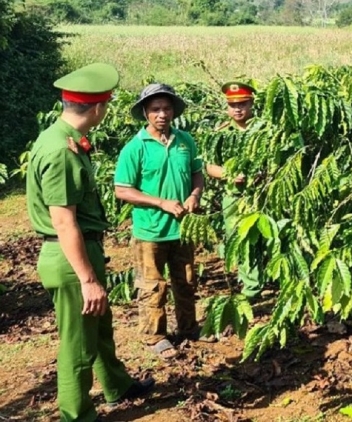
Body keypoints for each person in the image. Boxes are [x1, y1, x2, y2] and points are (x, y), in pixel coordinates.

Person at [26, 63, 154, 422]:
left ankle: (117, 385)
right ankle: (77, 415)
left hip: (80, 251)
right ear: (97, 109)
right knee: (78, 346)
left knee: (99, 329)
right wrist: (87, 279)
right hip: (70, 257)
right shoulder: (61, 152)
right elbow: (64, 222)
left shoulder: (61, 137)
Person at [114, 83, 213, 361]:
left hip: (182, 228)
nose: (162, 114)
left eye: (166, 108)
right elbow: (122, 189)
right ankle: (155, 336)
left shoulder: (185, 141)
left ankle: (189, 327)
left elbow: (197, 173)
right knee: (152, 284)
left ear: (173, 111)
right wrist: (161, 202)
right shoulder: (135, 148)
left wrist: (195, 195)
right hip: (151, 229)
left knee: (186, 280)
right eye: (155, 109)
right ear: (146, 113)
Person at [205, 81, 256, 235]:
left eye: (242, 104)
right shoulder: (221, 133)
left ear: (251, 103)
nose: (237, 109)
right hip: (233, 197)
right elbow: (209, 166)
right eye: (233, 105)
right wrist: (230, 175)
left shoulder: (264, 129)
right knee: (234, 238)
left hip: (260, 195)